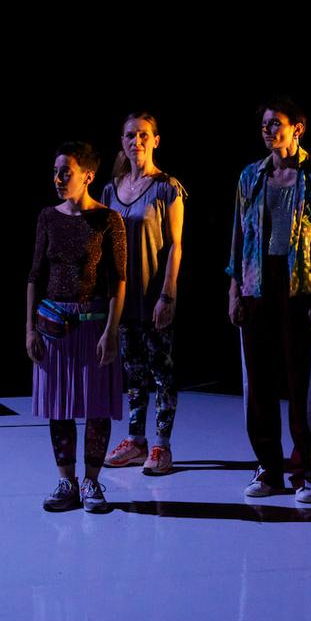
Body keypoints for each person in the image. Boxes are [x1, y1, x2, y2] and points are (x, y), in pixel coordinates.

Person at [226, 97, 311, 504]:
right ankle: (268, 468)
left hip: (301, 289)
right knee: (258, 384)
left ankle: (308, 472)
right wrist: (234, 289)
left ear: (298, 128)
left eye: (278, 124)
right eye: (265, 126)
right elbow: (238, 239)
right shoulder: (250, 177)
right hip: (258, 286)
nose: (271, 131)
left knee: (301, 385)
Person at [26, 141, 127, 513]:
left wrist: (111, 331)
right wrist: (30, 330)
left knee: (97, 408)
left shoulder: (108, 220)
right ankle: (66, 481)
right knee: (60, 408)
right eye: (55, 172)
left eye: (65, 172)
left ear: (88, 175)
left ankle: (92, 482)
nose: (58, 178)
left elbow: (119, 280)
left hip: (94, 324)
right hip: (54, 328)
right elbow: (35, 275)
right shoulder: (47, 217)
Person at [100, 113, 185, 475]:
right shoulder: (111, 189)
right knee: (133, 374)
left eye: (143, 135)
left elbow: (176, 246)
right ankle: (136, 441)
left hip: (153, 297)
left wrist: (167, 295)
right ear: (122, 141)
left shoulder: (167, 187)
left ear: (156, 140)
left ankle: (162, 446)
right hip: (123, 298)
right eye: (130, 135)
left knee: (162, 373)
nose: (137, 142)